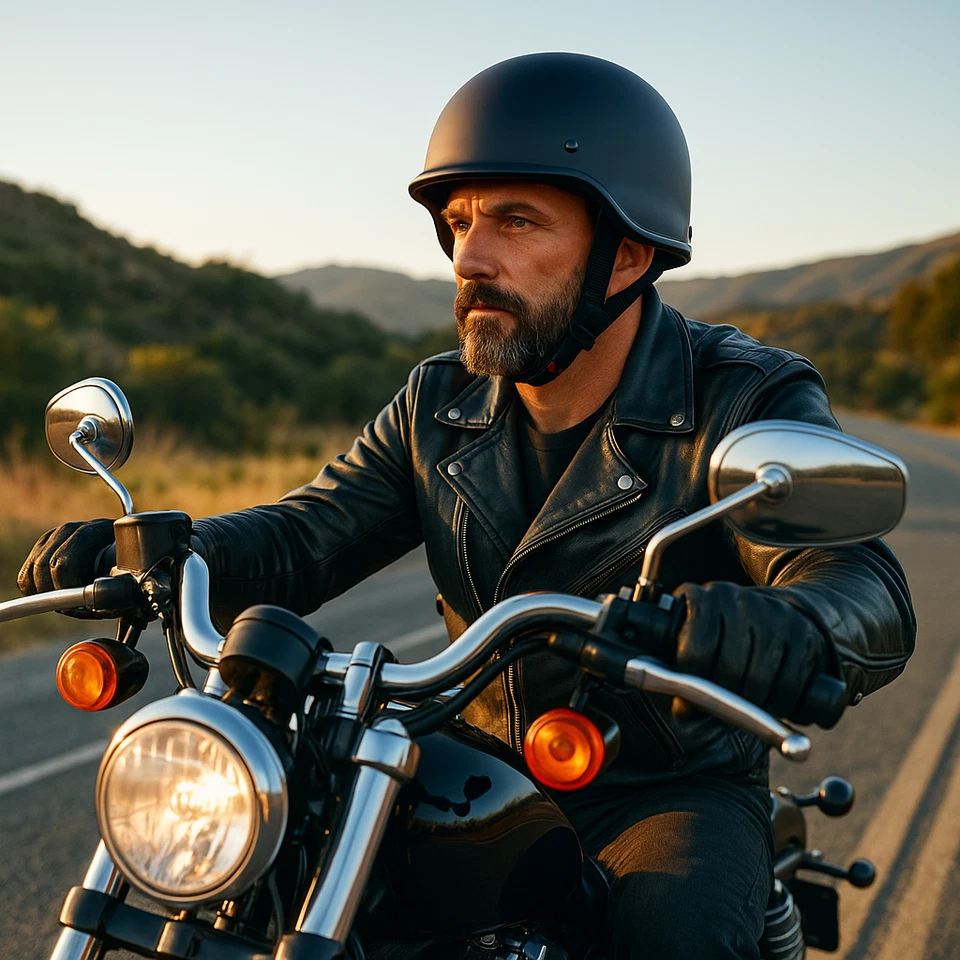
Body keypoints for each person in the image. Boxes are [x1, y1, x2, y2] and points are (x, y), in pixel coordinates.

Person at [19, 53, 915, 959]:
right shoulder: (437, 402)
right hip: (464, 768)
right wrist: (163, 548)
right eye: (459, 222)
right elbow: (308, 533)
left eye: (516, 222)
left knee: (670, 935)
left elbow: (862, 588)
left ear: (628, 255)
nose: (470, 258)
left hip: (660, 786)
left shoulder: (739, 398)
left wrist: (782, 626)